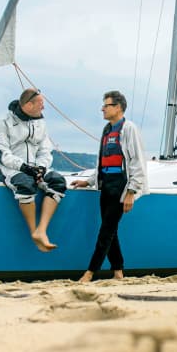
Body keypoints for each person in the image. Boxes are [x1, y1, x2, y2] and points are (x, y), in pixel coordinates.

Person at [71, 90, 148, 282]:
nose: (102, 109)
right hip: (106, 184)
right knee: (111, 230)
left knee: (106, 231)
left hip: (120, 185)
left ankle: (90, 272)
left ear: (118, 107)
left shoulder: (129, 129)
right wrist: (89, 181)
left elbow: (138, 161)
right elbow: (103, 162)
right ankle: (118, 272)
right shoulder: (107, 129)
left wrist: (131, 191)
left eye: (106, 105)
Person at [0, 88, 67, 251]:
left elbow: (45, 150)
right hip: (9, 168)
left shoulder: (41, 123)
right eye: (41, 104)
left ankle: (41, 230)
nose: (43, 107)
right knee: (25, 184)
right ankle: (33, 231)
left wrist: (41, 167)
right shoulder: (3, 122)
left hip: (34, 166)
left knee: (58, 182)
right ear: (28, 105)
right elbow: (2, 154)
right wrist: (24, 167)